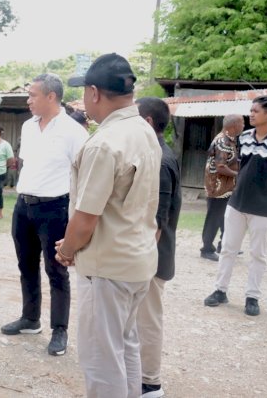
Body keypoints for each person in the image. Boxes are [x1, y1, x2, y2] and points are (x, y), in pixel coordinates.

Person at [57, 53, 161, 397]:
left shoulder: (104, 142)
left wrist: (67, 250)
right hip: (138, 261)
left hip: (106, 267)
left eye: (85, 93)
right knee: (126, 346)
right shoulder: (144, 131)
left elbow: (86, 218)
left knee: (102, 361)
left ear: (94, 93)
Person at [0, 73, 88, 357]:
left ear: (51, 97)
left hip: (55, 208)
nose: (28, 100)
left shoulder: (74, 132)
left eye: (33, 95)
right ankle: (30, 319)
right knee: (26, 264)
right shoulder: (27, 126)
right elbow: (29, 164)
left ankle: (59, 330)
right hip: (24, 206)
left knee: (56, 269)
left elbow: (84, 174)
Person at [204, 95, 267, 316]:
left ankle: (252, 297)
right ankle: (220, 290)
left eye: (255, 111)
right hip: (237, 202)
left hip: (264, 207)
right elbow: (242, 167)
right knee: (228, 248)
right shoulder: (244, 138)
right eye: (250, 110)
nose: (250, 114)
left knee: (258, 254)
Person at [136, 97, 182, 398]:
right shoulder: (157, 154)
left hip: (152, 259)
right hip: (148, 257)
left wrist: (140, 261)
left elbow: (157, 221)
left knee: (148, 320)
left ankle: (150, 382)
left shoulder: (161, 160)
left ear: (148, 123)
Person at [199, 114, 244, 261]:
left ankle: (224, 245)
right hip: (217, 187)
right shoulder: (222, 141)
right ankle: (206, 249)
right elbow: (220, 167)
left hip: (226, 186)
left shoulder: (230, 140)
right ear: (234, 125)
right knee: (214, 216)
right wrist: (238, 174)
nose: (244, 125)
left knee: (227, 216)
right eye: (242, 123)